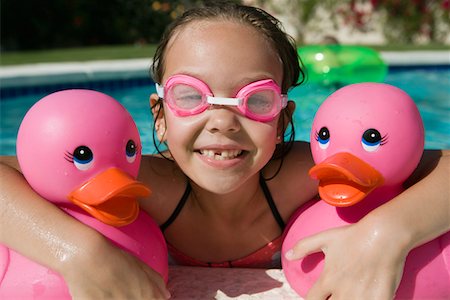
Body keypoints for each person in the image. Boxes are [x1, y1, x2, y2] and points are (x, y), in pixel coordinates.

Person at [0, 2, 449, 299]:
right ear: (159, 115)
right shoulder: (143, 185)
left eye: (255, 99)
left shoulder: (305, 176)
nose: (222, 121)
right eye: (191, 96)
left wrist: (388, 232)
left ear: (283, 119)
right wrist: (77, 253)